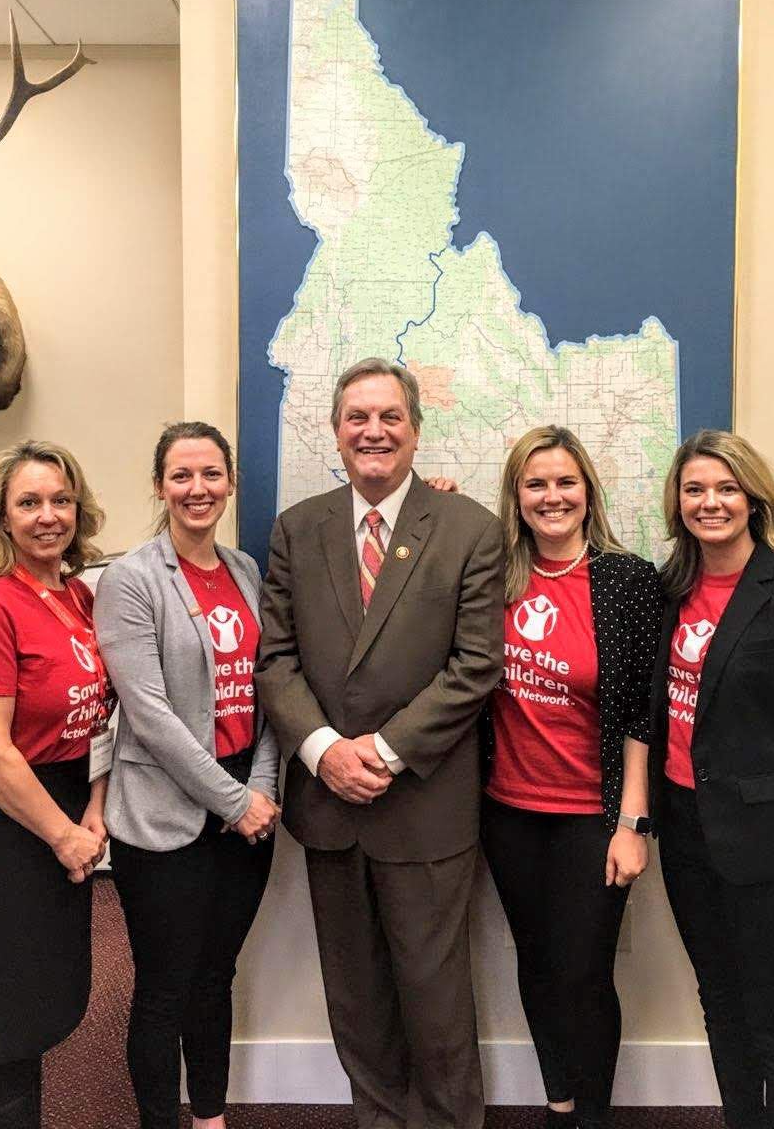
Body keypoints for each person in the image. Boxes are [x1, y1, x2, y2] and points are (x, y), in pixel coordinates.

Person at [255, 357, 504, 1129]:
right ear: (335, 431)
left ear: (416, 431)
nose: (373, 431)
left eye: (390, 416)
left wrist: (384, 753)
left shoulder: (470, 529)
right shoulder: (299, 529)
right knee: (356, 1001)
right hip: (329, 808)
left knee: (435, 1005)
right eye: (357, 417)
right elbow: (275, 657)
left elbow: (476, 666)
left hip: (425, 808)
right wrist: (326, 750)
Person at [650, 430, 774, 1129]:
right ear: (678, 502)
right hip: (686, 838)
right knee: (720, 1005)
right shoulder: (669, 590)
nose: (711, 503)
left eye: (727, 488)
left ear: (754, 497)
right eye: (696, 489)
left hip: (766, 852)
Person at [93, 421, 280, 1129]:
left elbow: (264, 694)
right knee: (165, 987)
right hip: (166, 815)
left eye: (210, 475)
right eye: (181, 476)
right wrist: (235, 800)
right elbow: (148, 714)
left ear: (230, 482)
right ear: (159, 485)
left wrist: (261, 787)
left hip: (245, 807)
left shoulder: (244, 571)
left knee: (215, 977)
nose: (197, 489)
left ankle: (208, 1117)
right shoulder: (131, 578)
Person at [478, 426, 663, 1129]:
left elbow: (644, 712)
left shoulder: (626, 579)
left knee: (585, 974)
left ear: (587, 492)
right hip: (509, 812)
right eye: (536, 484)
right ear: (516, 497)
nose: (551, 497)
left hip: (595, 814)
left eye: (564, 482)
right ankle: (558, 1105)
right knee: (537, 963)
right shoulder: (493, 577)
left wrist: (632, 824)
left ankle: (592, 1116)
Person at [0, 441, 110, 1129]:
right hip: (10, 832)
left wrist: (95, 808)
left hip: (70, 809)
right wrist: (66, 835)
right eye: (30, 502)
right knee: (3, 1022)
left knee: (42, 1001)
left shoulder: (76, 596)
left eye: (60, 499)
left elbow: (102, 717)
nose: (49, 515)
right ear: (3, 519)